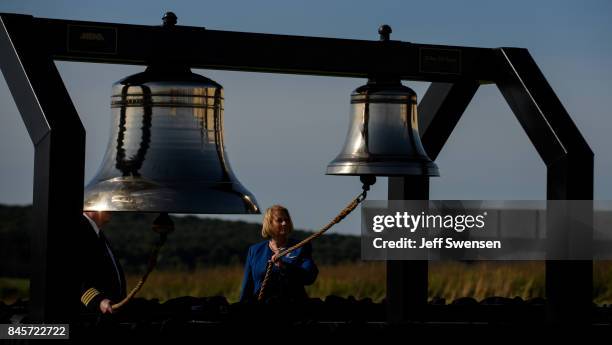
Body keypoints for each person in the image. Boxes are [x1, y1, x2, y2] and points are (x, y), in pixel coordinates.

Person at [239, 205, 318, 303]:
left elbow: (309, 277)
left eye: (286, 220)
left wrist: (284, 266)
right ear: (269, 223)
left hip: (293, 309)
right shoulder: (255, 251)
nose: (284, 223)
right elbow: (247, 287)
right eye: (279, 220)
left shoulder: (301, 247)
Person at [78, 211, 126, 314]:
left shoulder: (95, 231)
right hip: (89, 318)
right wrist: (98, 301)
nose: (111, 208)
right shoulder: (79, 230)